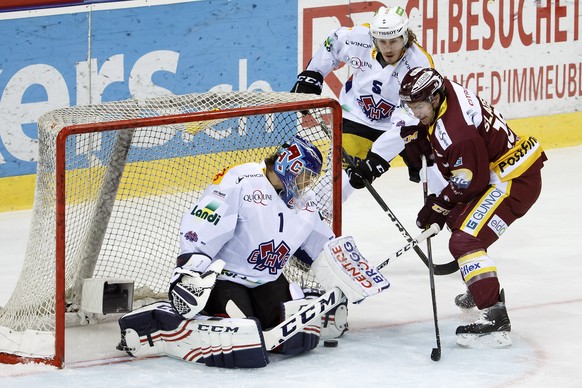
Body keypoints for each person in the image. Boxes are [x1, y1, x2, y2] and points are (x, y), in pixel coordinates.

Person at [117, 135, 390, 367]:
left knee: (295, 339)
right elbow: (207, 219)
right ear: (290, 166)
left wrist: (350, 273)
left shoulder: (304, 204)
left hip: (268, 280)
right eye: (306, 175)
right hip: (225, 279)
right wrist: (191, 269)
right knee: (245, 339)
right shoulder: (242, 179)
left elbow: (321, 245)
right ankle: (165, 326)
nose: (308, 183)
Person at [398, 67, 547, 347]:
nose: (415, 112)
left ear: (433, 97)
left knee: (466, 240)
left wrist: (438, 204)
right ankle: (479, 286)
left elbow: (470, 182)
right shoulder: (446, 91)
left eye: (418, 106)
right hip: (497, 171)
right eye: (411, 106)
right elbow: (463, 163)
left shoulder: (456, 131)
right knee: (460, 219)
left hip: (513, 181)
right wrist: (422, 134)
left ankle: (494, 316)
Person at [291, 5, 435, 200]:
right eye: (382, 41)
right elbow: (332, 42)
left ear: (405, 37)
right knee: (334, 185)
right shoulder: (359, 37)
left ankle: (448, 214)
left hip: (398, 123)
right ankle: (319, 222)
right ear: (373, 38)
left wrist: (377, 159)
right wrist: (313, 74)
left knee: (434, 166)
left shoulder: (419, 64)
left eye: (394, 41)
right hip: (356, 114)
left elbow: (409, 118)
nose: (388, 48)